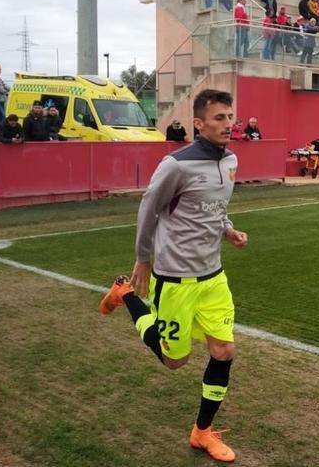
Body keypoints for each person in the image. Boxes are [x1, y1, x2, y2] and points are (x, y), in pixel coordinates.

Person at [99, 89, 247, 463]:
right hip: (175, 278)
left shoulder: (231, 160)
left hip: (213, 277)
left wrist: (227, 229)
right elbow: (148, 211)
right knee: (173, 361)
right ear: (198, 124)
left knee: (224, 351)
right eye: (219, 118)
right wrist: (142, 261)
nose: (228, 124)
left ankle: (202, 432)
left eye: (230, 117)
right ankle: (127, 294)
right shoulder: (176, 165)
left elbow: (213, 208)